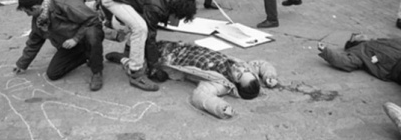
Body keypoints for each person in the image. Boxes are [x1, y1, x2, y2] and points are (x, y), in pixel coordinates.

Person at [108, 40, 278, 119]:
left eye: (240, 74)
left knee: (140, 64)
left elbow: (200, 96)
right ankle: (129, 52)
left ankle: (122, 59)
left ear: (236, 85)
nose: (240, 68)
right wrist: (269, 76)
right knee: (147, 42)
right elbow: (261, 63)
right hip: (179, 47)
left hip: (168, 61)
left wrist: (221, 107)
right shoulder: (245, 69)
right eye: (245, 69)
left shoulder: (220, 84)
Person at [91, 0, 197, 92]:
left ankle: (127, 54)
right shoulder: (156, 6)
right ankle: (136, 73)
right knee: (141, 29)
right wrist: (154, 67)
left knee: (138, 19)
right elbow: (150, 38)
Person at [14, 0, 104, 91]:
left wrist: (75, 39)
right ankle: (87, 54)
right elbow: (35, 41)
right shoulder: (39, 19)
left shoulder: (66, 4)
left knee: (92, 35)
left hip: (85, 35)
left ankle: (97, 72)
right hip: (69, 44)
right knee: (53, 73)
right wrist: (22, 63)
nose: (28, 15)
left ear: (35, 8)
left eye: (27, 12)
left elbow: (93, 20)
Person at [318, 33, 401, 84]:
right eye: (357, 35)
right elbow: (345, 61)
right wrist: (326, 51)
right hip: (396, 67)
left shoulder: (377, 41)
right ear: (354, 42)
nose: (361, 33)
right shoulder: (358, 51)